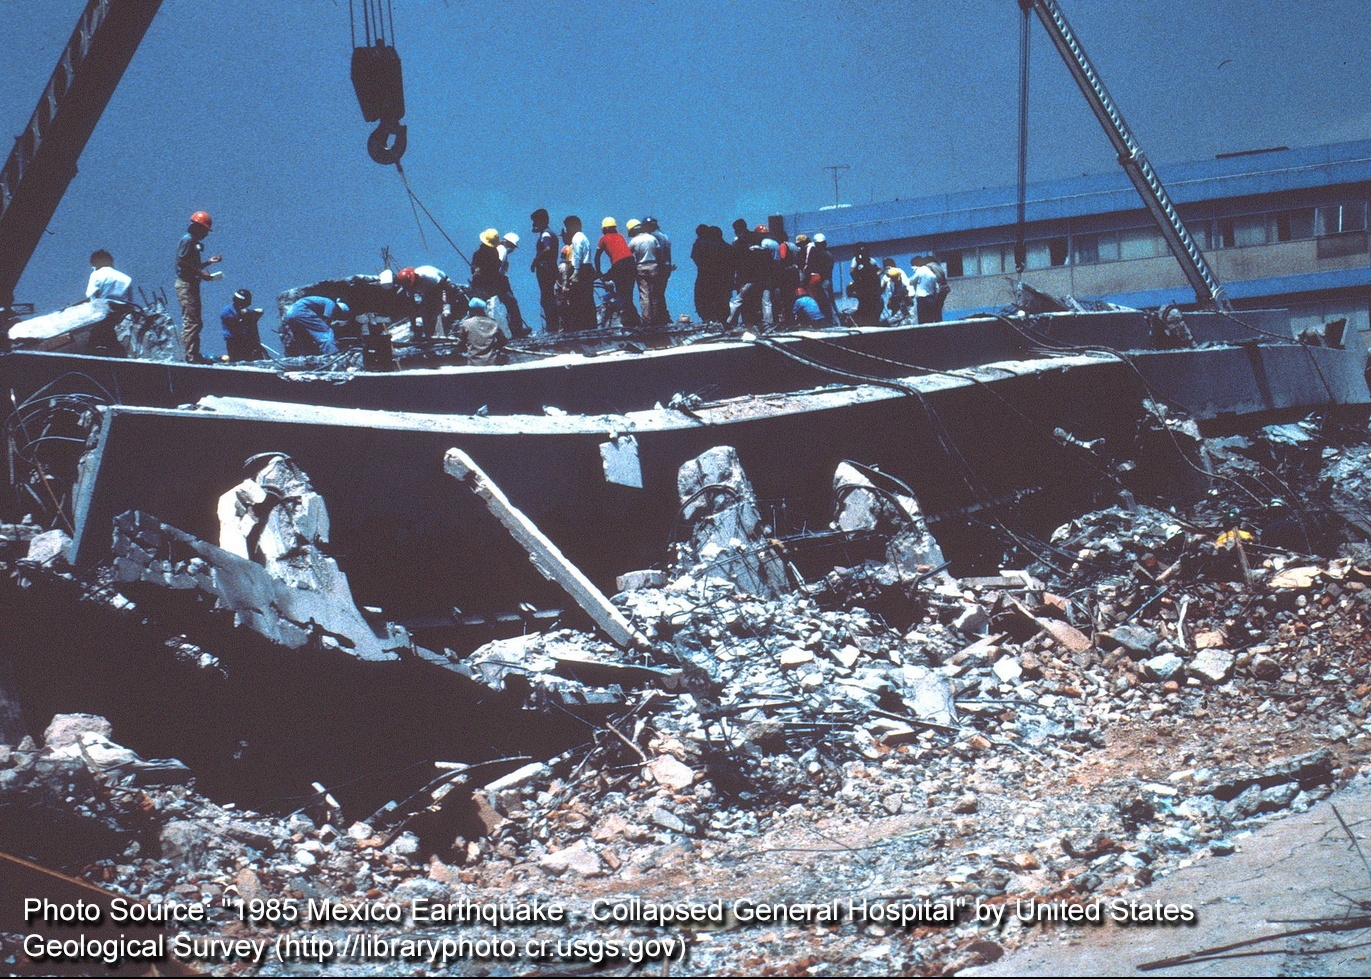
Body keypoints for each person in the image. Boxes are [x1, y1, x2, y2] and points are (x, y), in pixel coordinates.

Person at [175, 210, 222, 362]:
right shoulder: (188, 240)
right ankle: (188, 356)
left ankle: (192, 353)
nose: (206, 234)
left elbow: (190, 264)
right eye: (205, 230)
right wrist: (202, 275)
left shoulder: (192, 241)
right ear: (199, 227)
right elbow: (182, 262)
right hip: (186, 285)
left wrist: (208, 263)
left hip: (191, 284)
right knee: (192, 321)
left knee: (195, 321)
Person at [595, 217, 640, 329]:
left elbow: (597, 257)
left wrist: (599, 273)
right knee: (628, 295)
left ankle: (626, 323)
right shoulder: (620, 236)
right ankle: (634, 321)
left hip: (619, 265)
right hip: (630, 263)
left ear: (604, 229)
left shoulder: (603, 238)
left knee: (620, 293)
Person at [396, 264, 459, 339]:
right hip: (428, 291)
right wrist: (414, 326)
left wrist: (446, 306)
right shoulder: (409, 286)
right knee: (425, 312)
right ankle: (428, 335)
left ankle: (450, 333)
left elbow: (443, 290)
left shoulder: (430, 277)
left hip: (442, 285)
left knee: (444, 313)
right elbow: (411, 306)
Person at [691, 224, 732, 323]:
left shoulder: (700, 244)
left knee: (703, 298)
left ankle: (708, 319)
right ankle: (721, 320)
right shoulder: (727, 247)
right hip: (724, 278)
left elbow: (695, 258)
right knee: (722, 300)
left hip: (705, 276)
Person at [281, 296, 348, 356]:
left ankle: (305, 357)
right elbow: (325, 323)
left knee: (302, 338)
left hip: (289, 313)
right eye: (339, 315)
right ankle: (334, 355)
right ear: (339, 310)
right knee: (326, 332)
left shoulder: (321, 304)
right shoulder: (331, 304)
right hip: (301, 311)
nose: (336, 317)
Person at [562, 215, 596, 331]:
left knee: (578, 300)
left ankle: (580, 328)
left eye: (567, 227)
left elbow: (577, 255)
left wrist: (576, 272)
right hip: (587, 268)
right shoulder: (583, 237)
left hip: (582, 269)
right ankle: (591, 326)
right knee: (588, 299)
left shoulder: (576, 238)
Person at [627, 219, 663, 327]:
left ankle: (647, 320)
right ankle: (656, 319)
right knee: (654, 294)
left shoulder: (634, 241)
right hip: (653, 266)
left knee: (644, 295)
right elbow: (659, 254)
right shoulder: (652, 239)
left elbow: (628, 256)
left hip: (640, 267)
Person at [530, 208, 560, 333]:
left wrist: (536, 260)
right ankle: (553, 325)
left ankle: (552, 326)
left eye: (536, 221)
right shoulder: (549, 233)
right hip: (550, 268)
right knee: (548, 296)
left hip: (545, 268)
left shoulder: (546, 234)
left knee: (547, 298)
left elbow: (547, 248)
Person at [494, 233, 528, 337]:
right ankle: (517, 330)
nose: (512, 249)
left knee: (510, 303)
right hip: (500, 280)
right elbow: (497, 266)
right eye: (512, 246)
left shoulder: (497, 248)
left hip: (499, 279)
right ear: (508, 243)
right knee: (512, 303)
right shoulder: (502, 250)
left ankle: (516, 329)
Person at [455, 297, 505, 366]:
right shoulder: (494, 323)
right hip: (492, 362)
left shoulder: (466, 324)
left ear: (471, 310)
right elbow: (503, 341)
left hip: (473, 363)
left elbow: (460, 344)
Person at [220, 289, 264, 361]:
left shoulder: (244, 311)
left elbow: (260, 311)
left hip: (246, 341)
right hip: (234, 341)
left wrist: (250, 313)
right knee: (238, 359)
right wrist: (242, 316)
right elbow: (233, 326)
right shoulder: (228, 310)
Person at [644, 216, 673, 326]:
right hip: (666, 267)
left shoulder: (654, 237)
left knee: (655, 293)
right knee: (660, 293)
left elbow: (658, 253)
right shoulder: (664, 236)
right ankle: (663, 316)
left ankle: (660, 318)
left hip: (659, 267)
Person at [849, 244, 883, 326]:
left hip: (872, 288)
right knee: (863, 306)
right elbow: (852, 271)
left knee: (874, 305)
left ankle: (874, 322)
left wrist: (874, 276)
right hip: (862, 288)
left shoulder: (871, 261)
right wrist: (858, 279)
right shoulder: (856, 261)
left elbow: (880, 269)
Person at [806, 233, 836, 321]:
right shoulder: (824, 254)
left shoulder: (825, 255)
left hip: (824, 280)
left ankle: (833, 320)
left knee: (828, 301)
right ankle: (829, 319)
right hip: (823, 280)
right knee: (825, 301)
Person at [911, 255, 947, 323]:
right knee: (937, 311)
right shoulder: (937, 266)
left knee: (928, 315)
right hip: (944, 289)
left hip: (934, 292)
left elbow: (912, 281)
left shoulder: (928, 267)